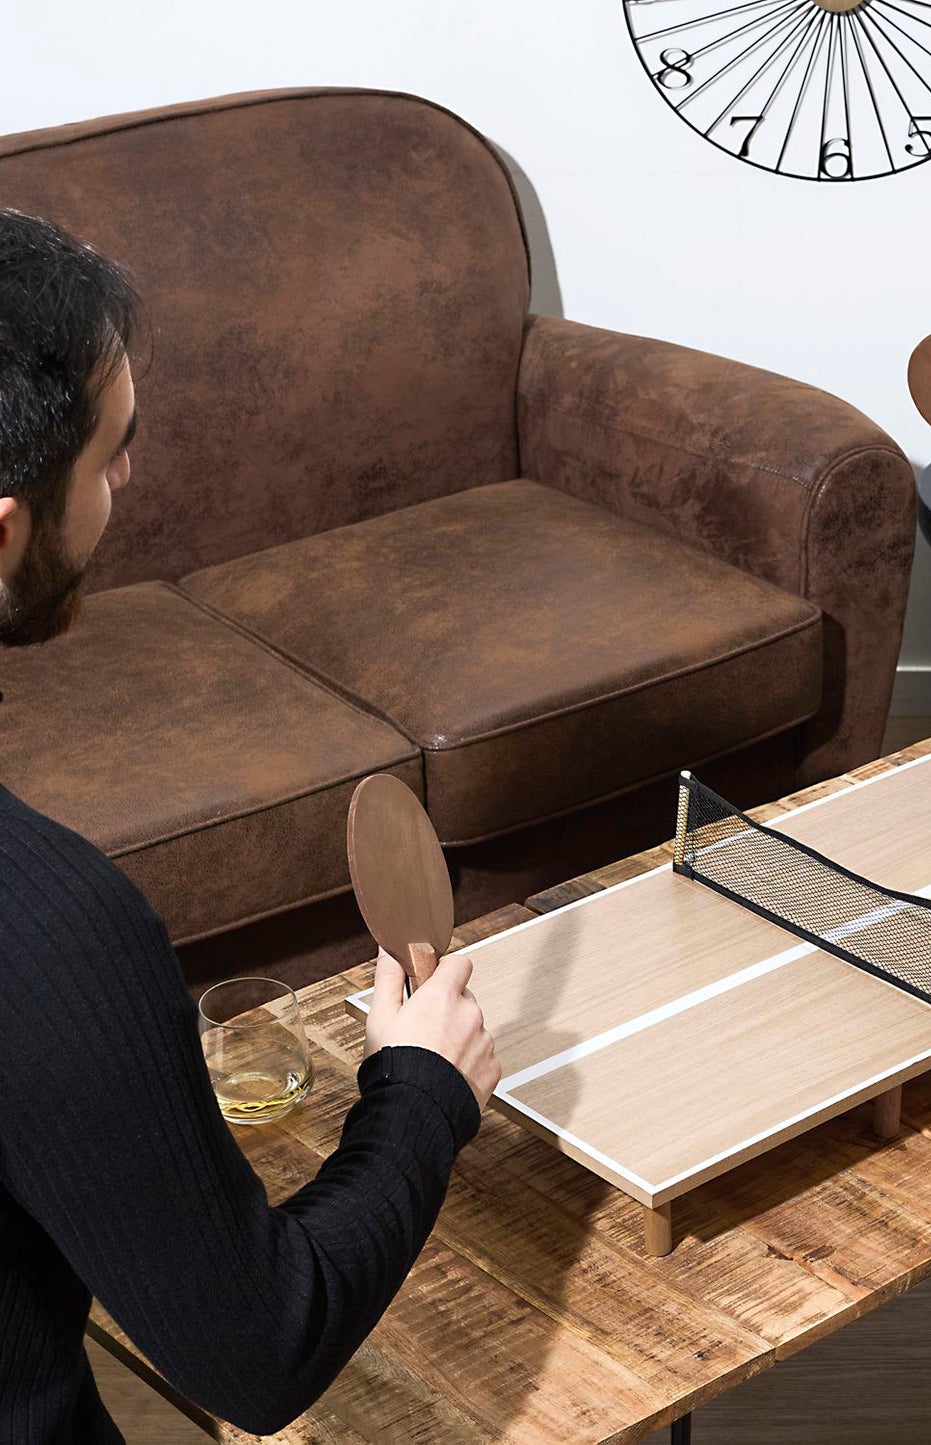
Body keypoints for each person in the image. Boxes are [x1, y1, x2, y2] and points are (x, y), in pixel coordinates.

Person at [0, 209, 501, 1439]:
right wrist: (420, 1088)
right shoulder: (51, 934)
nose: (129, 481)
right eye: (113, 453)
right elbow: (258, 1349)